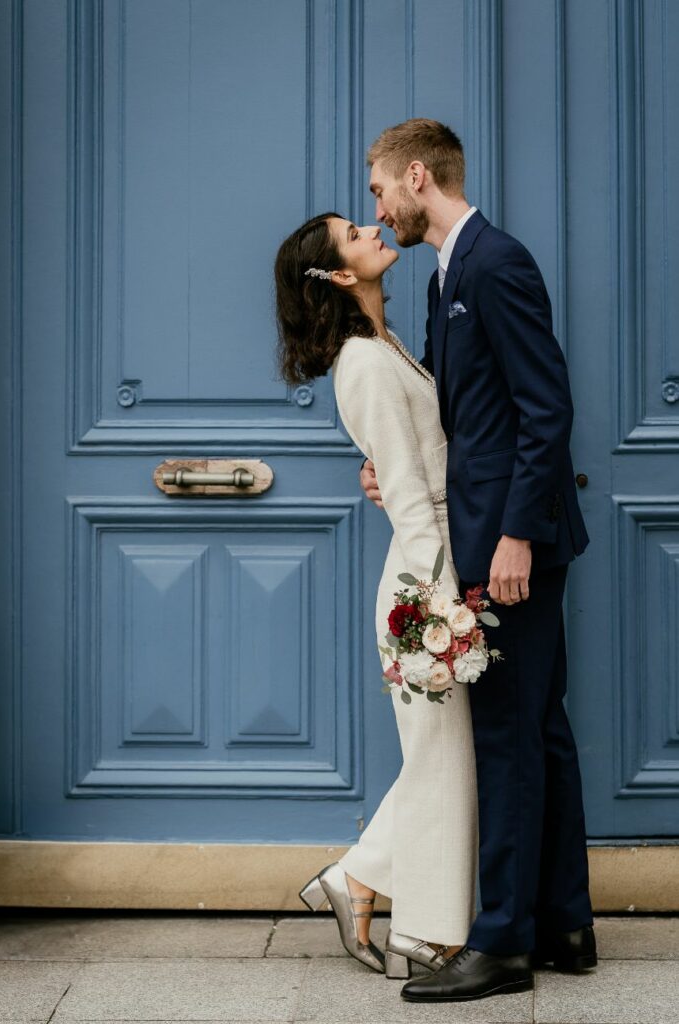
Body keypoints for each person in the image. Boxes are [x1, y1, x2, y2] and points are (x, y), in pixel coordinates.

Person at [359, 118, 597, 1002]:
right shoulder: (444, 274)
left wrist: (512, 537)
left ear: (418, 177)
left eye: (381, 192)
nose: (378, 212)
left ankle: (499, 942)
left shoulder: (495, 262)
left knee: (504, 735)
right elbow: (468, 412)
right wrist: (403, 473)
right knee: (540, 728)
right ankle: (564, 924)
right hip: (496, 529)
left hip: (510, 546)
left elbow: (546, 407)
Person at [274, 212, 479, 979]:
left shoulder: (387, 345)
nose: (371, 227)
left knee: (441, 758)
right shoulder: (361, 362)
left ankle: (362, 882)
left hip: (434, 568)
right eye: (353, 232)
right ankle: (420, 927)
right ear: (337, 274)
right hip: (422, 584)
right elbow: (405, 490)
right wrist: (440, 603)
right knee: (441, 759)